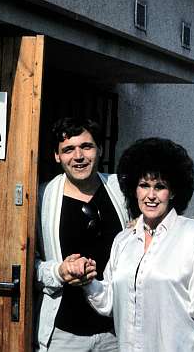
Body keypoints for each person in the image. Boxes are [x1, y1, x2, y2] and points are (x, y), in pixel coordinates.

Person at [83, 138, 194, 352]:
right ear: (134, 189)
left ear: (174, 191)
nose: (151, 195)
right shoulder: (123, 241)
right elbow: (109, 302)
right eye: (144, 186)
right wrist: (86, 281)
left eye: (159, 187)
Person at [35, 117, 129, 351]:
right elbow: (27, 264)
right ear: (57, 156)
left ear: (100, 150)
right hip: (64, 334)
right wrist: (59, 271)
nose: (78, 156)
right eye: (68, 149)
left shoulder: (121, 190)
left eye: (86, 147)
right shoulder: (42, 197)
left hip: (116, 332)